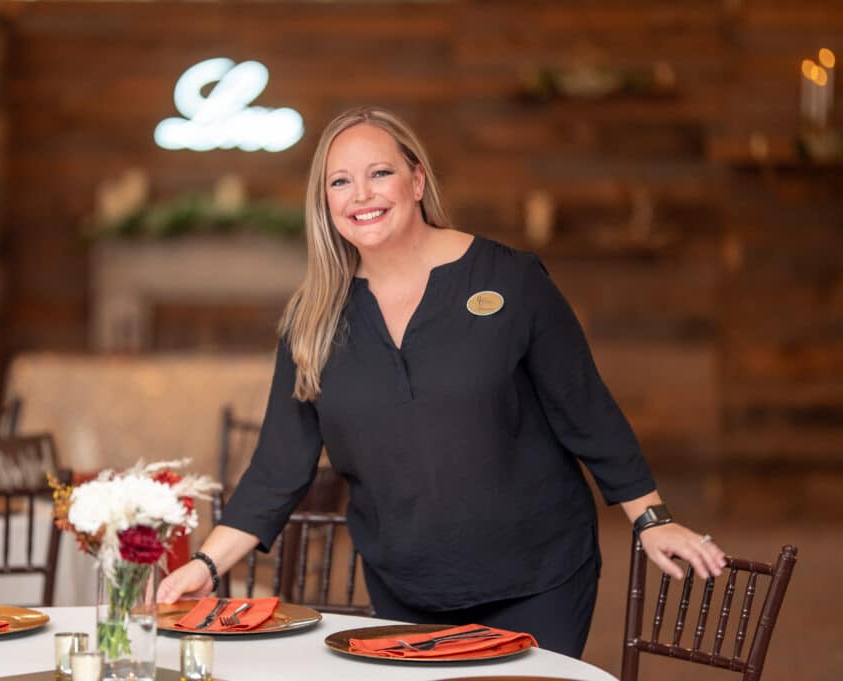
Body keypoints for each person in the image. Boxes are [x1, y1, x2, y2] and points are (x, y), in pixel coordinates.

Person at [156, 106, 727, 658]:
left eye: (380, 173)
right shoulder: (313, 318)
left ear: (417, 179)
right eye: (340, 182)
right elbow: (279, 468)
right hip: (406, 587)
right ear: (324, 202)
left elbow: (585, 409)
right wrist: (204, 565)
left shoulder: (511, 279)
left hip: (538, 575)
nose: (362, 196)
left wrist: (652, 520)